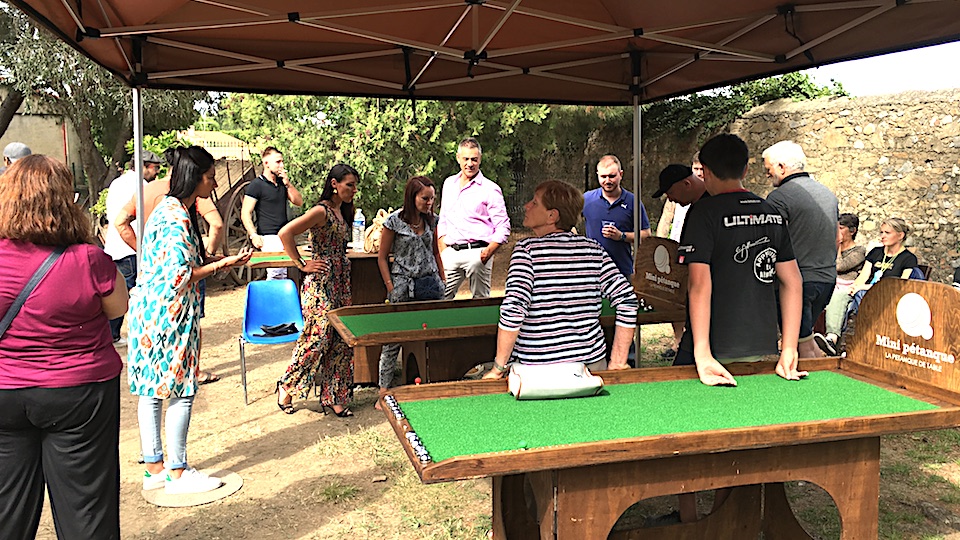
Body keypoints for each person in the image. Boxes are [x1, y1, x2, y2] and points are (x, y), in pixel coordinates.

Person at [0, 155, 128, 539]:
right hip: (80, 393)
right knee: (87, 507)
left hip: (6, 389)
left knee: (6, 507)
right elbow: (118, 307)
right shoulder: (88, 258)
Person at [127, 146, 252, 495]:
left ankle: (154, 467)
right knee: (181, 390)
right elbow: (179, 276)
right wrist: (223, 265)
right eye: (210, 177)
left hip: (150, 315)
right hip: (169, 317)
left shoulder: (169, 210)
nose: (213, 183)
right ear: (194, 177)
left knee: (151, 391)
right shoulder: (175, 217)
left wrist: (212, 258)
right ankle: (177, 473)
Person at [676, 134, 805, 386]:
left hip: (712, 344)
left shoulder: (703, 212)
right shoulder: (771, 211)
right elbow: (793, 282)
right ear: (745, 169)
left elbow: (699, 285)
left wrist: (701, 353)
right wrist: (790, 347)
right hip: (759, 344)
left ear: (705, 171)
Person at [484, 180, 637, 379]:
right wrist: (618, 360)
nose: (526, 206)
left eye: (535, 202)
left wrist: (498, 368)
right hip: (590, 369)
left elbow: (514, 309)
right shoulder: (593, 250)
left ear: (552, 216)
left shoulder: (527, 251)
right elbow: (627, 299)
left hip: (538, 371)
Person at [115, 169, 225, 384]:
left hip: (153, 278)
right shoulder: (185, 200)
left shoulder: (146, 190)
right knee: (189, 326)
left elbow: (120, 222)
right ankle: (194, 370)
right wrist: (210, 257)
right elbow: (217, 223)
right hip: (183, 278)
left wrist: (146, 251)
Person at [276, 164, 359, 417]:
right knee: (317, 338)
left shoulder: (343, 211)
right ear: (334, 184)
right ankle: (286, 386)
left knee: (342, 340)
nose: (353, 191)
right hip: (320, 283)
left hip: (340, 282)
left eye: (355, 186)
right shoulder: (320, 211)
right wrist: (302, 264)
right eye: (349, 185)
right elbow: (285, 232)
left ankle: (335, 397)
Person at [762, 141, 839, 359]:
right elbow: (837, 238)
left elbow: (770, 242)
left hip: (797, 283)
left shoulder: (779, 198)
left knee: (801, 348)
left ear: (782, 167)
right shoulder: (827, 194)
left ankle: (819, 389)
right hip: (826, 280)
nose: (768, 176)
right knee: (803, 339)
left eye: (769, 170)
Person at [376, 176, 444, 405]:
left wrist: (442, 280)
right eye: (425, 198)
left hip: (429, 284)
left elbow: (435, 252)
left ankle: (433, 385)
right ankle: (383, 391)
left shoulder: (432, 220)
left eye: (432, 198)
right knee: (393, 338)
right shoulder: (394, 222)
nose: (429, 203)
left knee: (434, 335)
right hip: (402, 285)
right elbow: (382, 257)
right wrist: (390, 286)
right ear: (412, 196)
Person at [102, 150, 163, 346]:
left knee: (117, 293)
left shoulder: (116, 183)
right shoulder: (143, 187)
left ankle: (112, 334)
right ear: (143, 166)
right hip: (133, 247)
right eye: (155, 168)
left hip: (114, 246)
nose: (157, 173)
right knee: (137, 294)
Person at [437, 137, 510, 299]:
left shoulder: (490, 189)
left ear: (480, 160)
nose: (470, 163)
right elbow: (443, 218)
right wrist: (442, 247)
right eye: (466, 159)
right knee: (440, 298)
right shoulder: (449, 184)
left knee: (480, 302)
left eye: (474, 159)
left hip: (478, 253)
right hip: (451, 253)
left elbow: (503, 227)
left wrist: (486, 254)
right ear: (458, 158)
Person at [829, 217, 918, 346]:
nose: (883, 236)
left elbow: (900, 286)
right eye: (881, 232)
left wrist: (864, 287)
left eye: (887, 233)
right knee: (840, 296)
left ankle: (864, 337)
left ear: (900, 235)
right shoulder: (876, 253)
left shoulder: (908, 259)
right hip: (864, 291)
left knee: (862, 296)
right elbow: (863, 276)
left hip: (887, 296)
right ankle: (832, 338)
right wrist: (855, 286)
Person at [653, 162, 709, 361]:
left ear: (686, 184)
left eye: (670, 192)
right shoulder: (697, 207)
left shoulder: (709, 208)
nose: (670, 199)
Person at [582, 154, 651, 278]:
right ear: (597, 175)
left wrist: (621, 236)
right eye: (603, 176)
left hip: (622, 271)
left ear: (621, 174)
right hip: (593, 271)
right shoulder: (587, 199)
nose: (607, 181)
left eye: (612, 176)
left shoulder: (633, 202)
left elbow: (646, 235)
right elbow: (566, 220)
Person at [241, 146, 303, 280]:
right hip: (269, 236)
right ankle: (272, 300)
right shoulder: (256, 185)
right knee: (276, 273)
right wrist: (253, 235)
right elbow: (246, 212)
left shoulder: (282, 183)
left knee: (289, 272)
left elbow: (298, 201)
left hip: (285, 235)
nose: (281, 165)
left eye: (282, 161)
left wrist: (288, 184)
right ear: (266, 163)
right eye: (278, 162)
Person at [813, 213, 866, 356]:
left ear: (852, 231)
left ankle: (831, 340)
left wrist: (836, 245)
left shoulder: (859, 251)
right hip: (828, 283)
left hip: (846, 289)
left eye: (841, 228)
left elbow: (839, 266)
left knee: (834, 296)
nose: (836, 232)